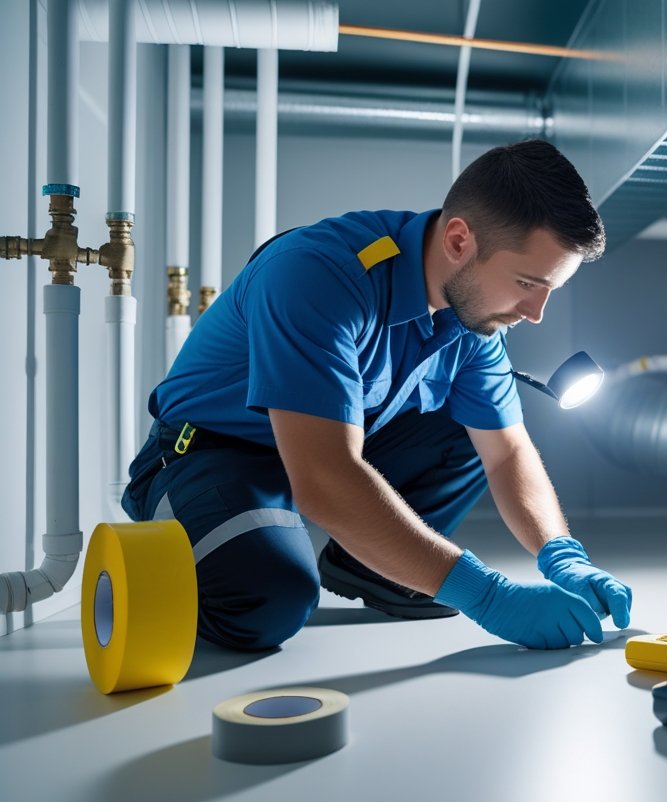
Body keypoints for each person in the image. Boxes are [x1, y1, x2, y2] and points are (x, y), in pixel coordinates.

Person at [122, 139, 632, 652]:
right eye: (527, 282)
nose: (535, 311)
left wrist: (563, 555)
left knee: (471, 424)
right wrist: (486, 595)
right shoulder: (318, 276)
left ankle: (371, 566)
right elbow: (324, 479)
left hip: (319, 458)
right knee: (269, 601)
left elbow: (507, 453)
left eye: (549, 289)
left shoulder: (476, 322)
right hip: (206, 455)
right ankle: (218, 546)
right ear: (459, 241)